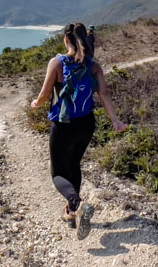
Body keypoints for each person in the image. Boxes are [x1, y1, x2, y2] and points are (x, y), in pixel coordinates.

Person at [31, 22, 126, 240]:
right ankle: (72, 212)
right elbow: (104, 94)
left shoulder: (57, 63)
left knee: (58, 173)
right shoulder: (94, 66)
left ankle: (77, 204)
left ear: (66, 39)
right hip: (87, 124)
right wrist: (116, 121)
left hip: (64, 126)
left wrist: (36, 103)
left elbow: (45, 94)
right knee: (74, 164)